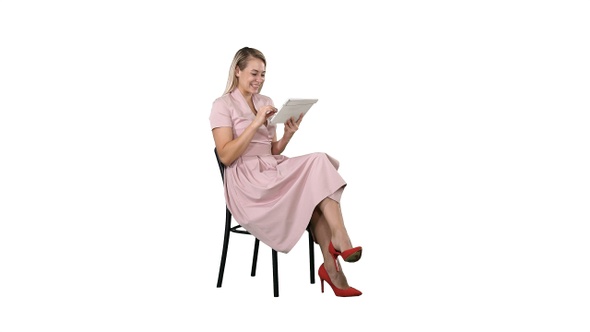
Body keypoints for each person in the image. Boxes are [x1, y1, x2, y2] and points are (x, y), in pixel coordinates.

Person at [209, 47, 363, 297]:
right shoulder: (222, 105)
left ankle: (334, 262)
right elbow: (226, 155)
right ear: (237, 71)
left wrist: (288, 133)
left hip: (272, 169)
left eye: (263, 75)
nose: (259, 80)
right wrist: (256, 123)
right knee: (316, 169)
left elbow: (272, 149)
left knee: (319, 168)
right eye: (254, 73)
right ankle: (339, 249)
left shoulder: (264, 101)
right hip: (247, 181)